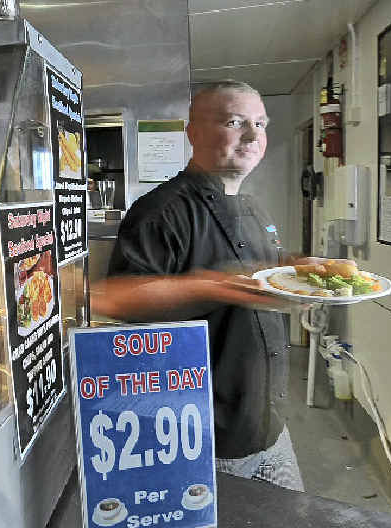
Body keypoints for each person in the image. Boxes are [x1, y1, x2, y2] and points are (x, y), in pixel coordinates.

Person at [93, 80, 309, 492]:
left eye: (261, 124)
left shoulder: (252, 205)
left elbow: (264, 268)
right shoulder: (161, 212)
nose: (253, 136)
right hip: (208, 436)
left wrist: (301, 271)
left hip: (268, 423)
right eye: (235, 122)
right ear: (193, 133)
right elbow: (115, 297)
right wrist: (213, 286)